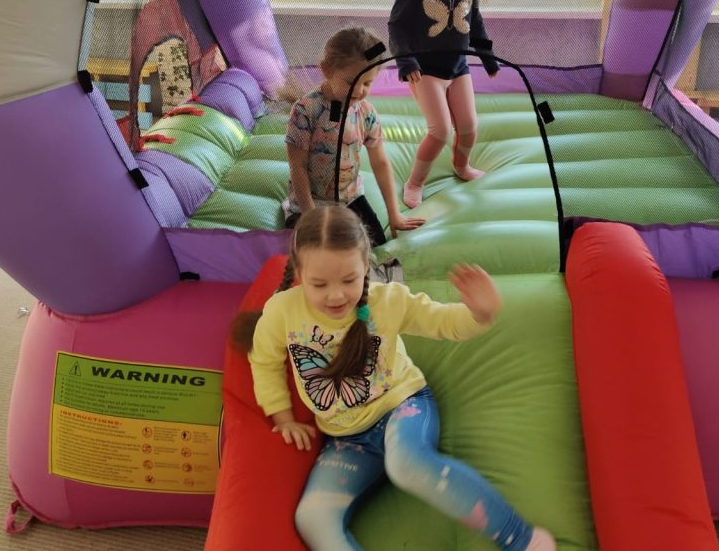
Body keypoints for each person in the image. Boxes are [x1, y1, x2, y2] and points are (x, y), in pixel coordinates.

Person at [232, 204, 555, 551]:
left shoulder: (387, 300)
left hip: (402, 407)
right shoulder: (282, 311)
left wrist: (479, 314)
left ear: (365, 264)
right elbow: (264, 360)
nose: (336, 295)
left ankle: (522, 539)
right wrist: (282, 417)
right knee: (311, 518)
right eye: (319, 284)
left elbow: (441, 321)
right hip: (347, 437)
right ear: (298, 273)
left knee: (405, 465)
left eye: (349, 280)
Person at [389, 0, 500, 209]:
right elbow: (397, 24)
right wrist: (406, 61)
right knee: (439, 131)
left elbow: (472, 17)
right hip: (425, 71)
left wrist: (487, 56)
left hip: (458, 67)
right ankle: (415, 182)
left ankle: (461, 166)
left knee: (469, 128)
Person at [284, 27, 425, 245]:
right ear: (326, 70)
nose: (359, 91)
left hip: (350, 199)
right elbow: (298, 166)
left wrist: (394, 213)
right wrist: (309, 215)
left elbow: (380, 163)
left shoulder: (366, 113)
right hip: (311, 202)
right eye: (351, 82)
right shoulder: (305, 110)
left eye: (367, 83)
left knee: (374, 245)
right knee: (321, 248)